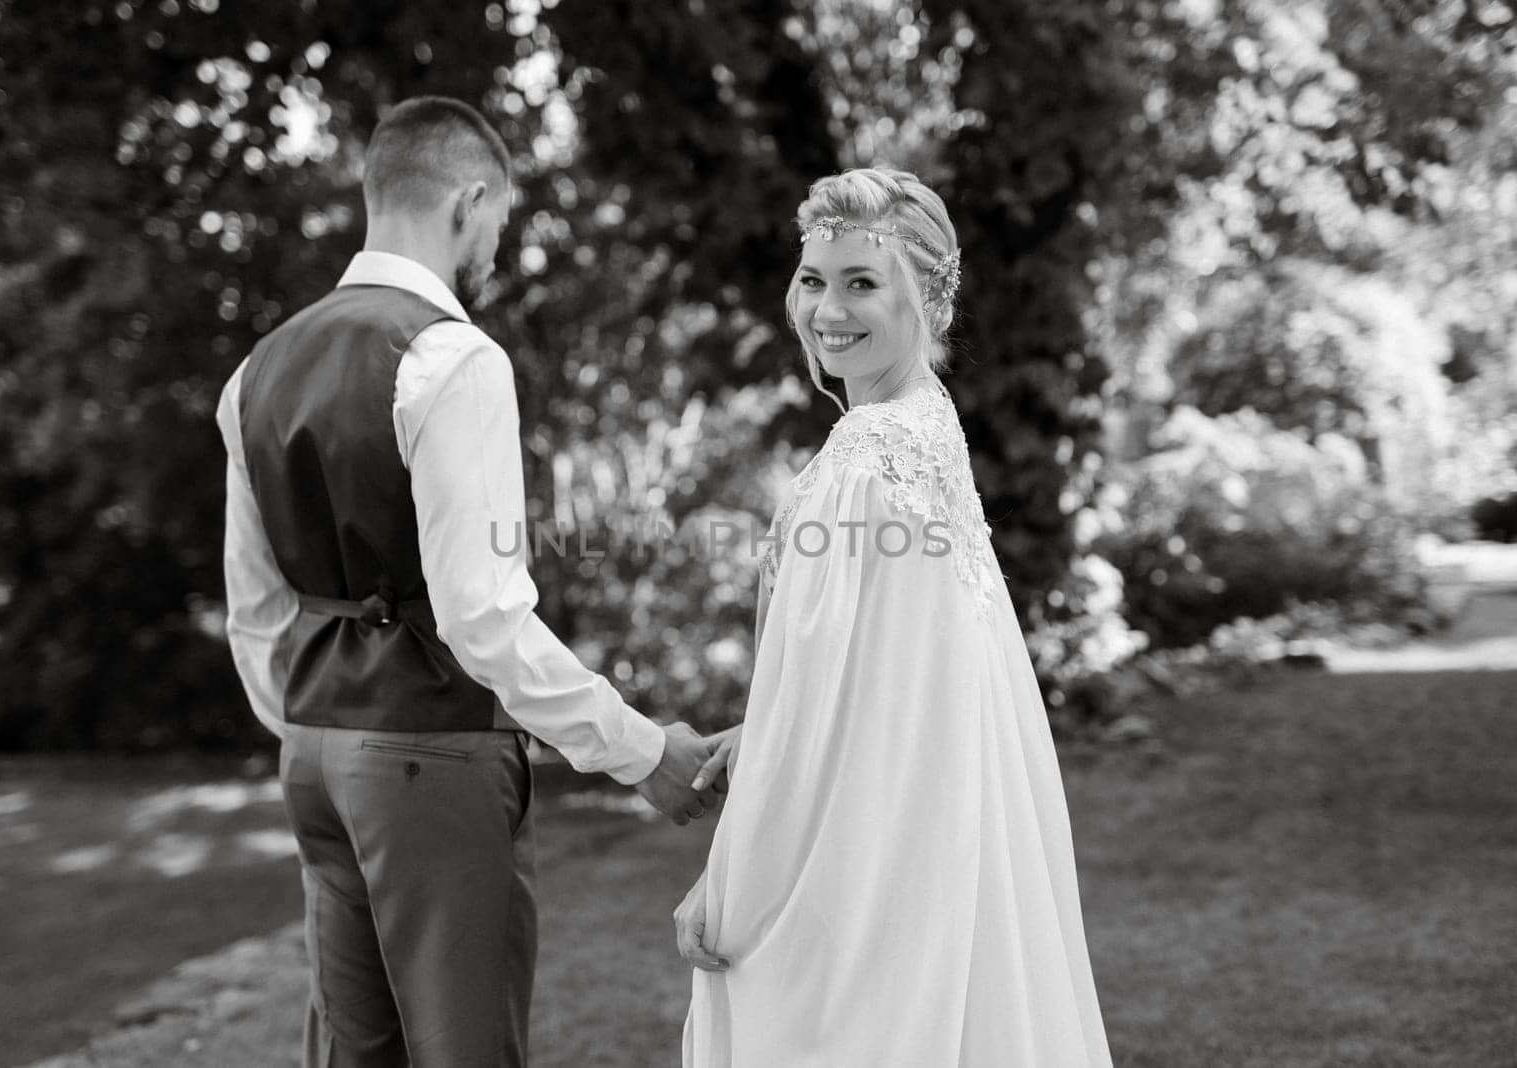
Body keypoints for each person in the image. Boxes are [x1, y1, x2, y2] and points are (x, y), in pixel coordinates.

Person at [216, 96, 721, 1067]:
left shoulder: (256, 371)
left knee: (356, 1054)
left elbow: (254, 608)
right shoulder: (451, 358)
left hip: (314, 756)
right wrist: (638, 748)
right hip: (427, 758)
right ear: (468, 199)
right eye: (498, 222)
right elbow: (482, 618)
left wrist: (308, 728)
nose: (495, 244)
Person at [675, 168, 1113, 1066]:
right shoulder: (928, 424)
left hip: (865, 867)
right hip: (930, 845)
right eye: (812, 279)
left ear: (927, 299)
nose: (826, 308)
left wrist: (726, 877)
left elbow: (827, 708)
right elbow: (874, 677)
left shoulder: (868, 452)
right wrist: (759, 727)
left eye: (861, 282)